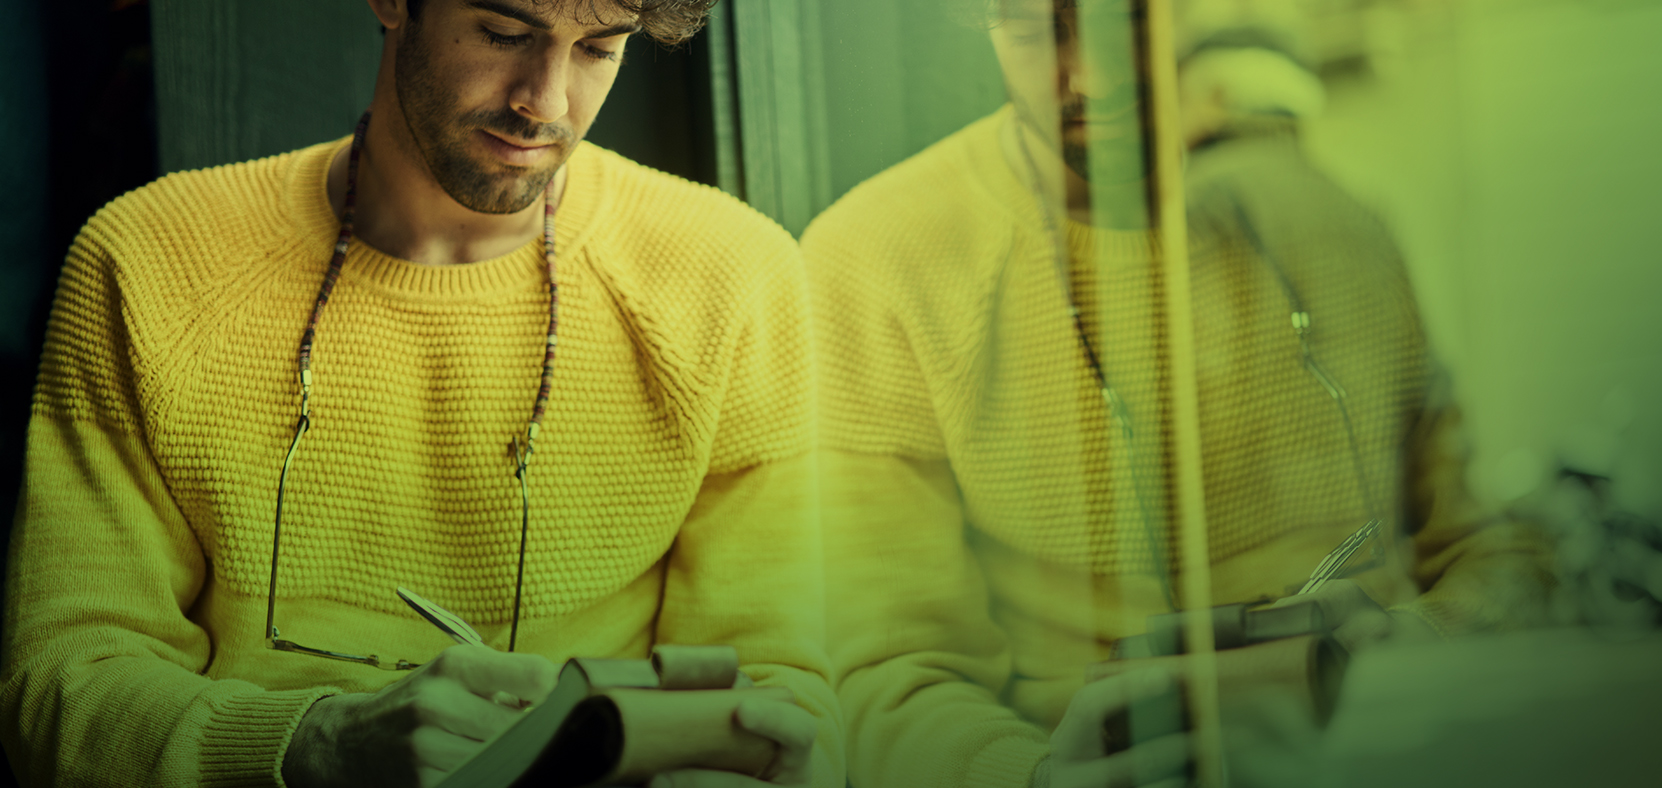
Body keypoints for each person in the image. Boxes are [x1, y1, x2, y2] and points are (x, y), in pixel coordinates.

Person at [1, 1, 839, 786]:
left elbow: (774, 683)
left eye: (598, 48)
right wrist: (317, 743)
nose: (544, 103)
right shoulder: (150, 259)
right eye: (506, 34)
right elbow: (63, 686)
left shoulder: (733, 276)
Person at [804, 1, 1552, 786]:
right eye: (1037, 27)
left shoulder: (1342, 232)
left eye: (1126, 18)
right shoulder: (880, 262)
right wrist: (1033, 778)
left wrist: (1418, 652)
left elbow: (1491, 555)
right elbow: (889, 676)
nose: (1092, 75)